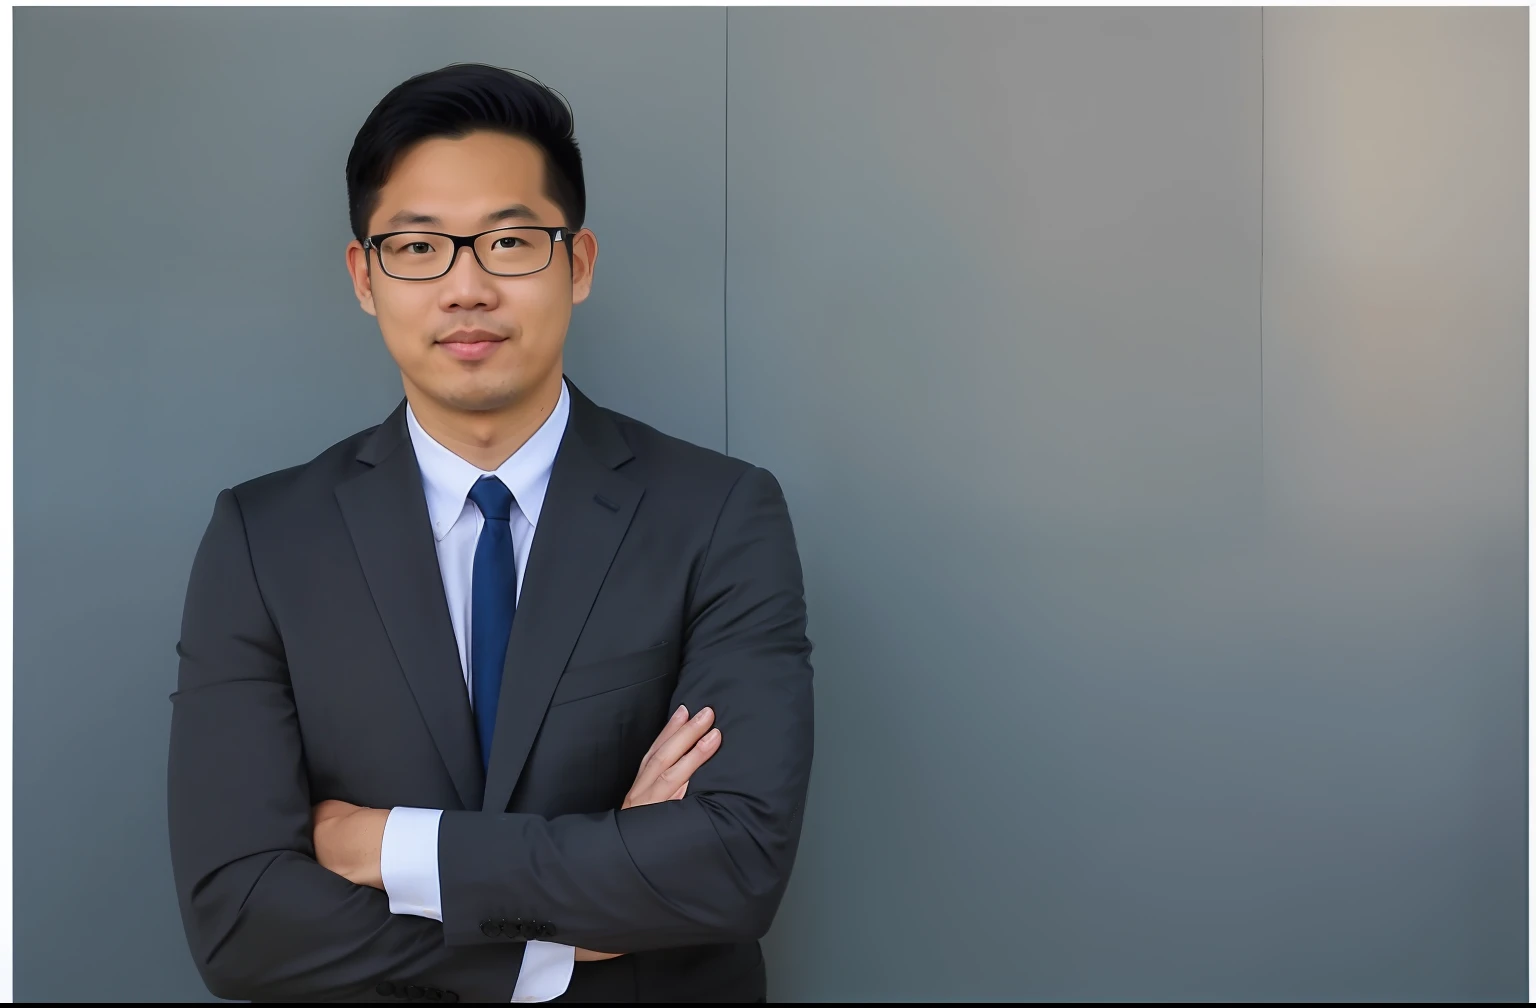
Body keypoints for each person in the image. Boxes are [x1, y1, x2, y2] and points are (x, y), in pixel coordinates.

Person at [166, 62, 814, 1004]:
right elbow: (238, 920)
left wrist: (380, 842)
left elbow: (732, 864)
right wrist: (565, 929)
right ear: (363, 276)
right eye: (419, 248)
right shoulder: (265, 539)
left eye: (511, 241)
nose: (467, 287)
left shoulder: (719, 515)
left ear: (578, 264)